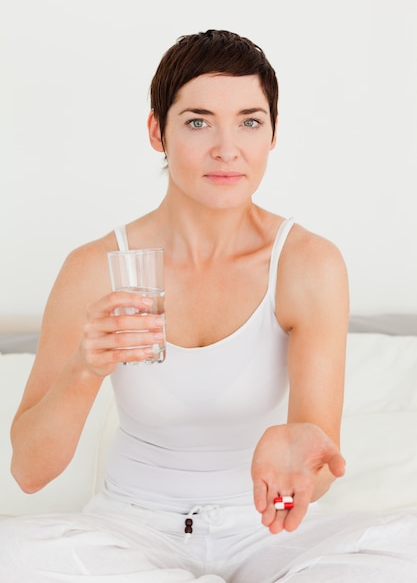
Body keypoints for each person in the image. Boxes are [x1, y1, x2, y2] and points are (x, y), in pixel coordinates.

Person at [1, 29, 352, 582]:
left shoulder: (309, 264)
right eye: (197, 121)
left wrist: (289, 490)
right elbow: (27, 472)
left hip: (267, 530)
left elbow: (314, 467)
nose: (226, 148)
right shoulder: (95, 266)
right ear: (156, 131)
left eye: (249, 121)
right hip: (131, 530)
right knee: (14, 554)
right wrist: (84, 368)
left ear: (273, 134)